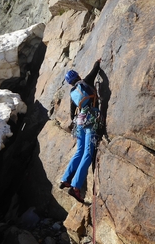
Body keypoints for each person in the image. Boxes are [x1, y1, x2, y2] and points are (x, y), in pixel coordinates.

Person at [59, 59, 101, 203]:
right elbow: (94, 71)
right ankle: (75, 186)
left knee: (79, 151)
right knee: (88, 154)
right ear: (77, 76)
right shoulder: (85, 82)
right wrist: (97, 62)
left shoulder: (72, 93)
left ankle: (65, 179)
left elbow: (72, 114)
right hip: (91, 119)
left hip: (80, 120)